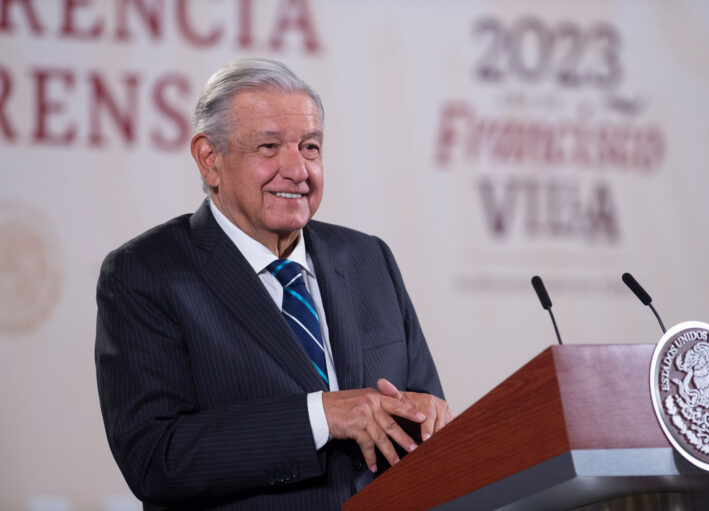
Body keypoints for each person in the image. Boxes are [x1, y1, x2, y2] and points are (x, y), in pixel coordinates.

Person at [95, 58, 452, 510]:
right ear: (209, 159)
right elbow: (154, 458)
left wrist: (428, 414)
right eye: (268, 147)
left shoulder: (368, 258)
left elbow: (424, 406)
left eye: (310, 147)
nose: (298, 170)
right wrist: (319, 416)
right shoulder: (145, 272)